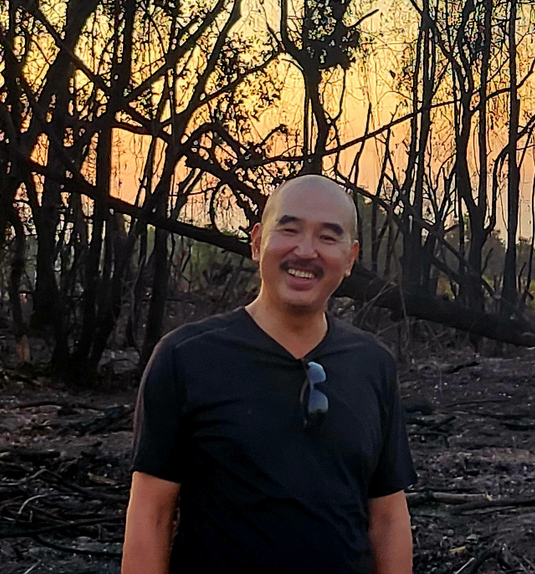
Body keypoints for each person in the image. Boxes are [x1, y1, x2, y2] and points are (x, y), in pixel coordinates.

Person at [121, 175, 415, 574]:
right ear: (257, 241)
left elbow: (388, 516)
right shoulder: (185, 358)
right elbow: (151, 513)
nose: (306, 251)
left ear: (350, 258)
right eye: (289, 229)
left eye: (328, 238)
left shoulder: (373, 365)